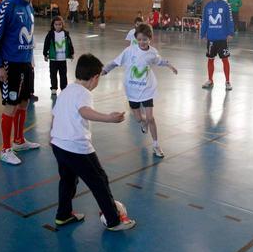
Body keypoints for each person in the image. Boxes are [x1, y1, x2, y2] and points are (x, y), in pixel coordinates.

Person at [50, 53, 136, 231]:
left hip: (58, 145)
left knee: (67, 180)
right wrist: (109, 118)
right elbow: (84, 111)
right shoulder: (84, 93)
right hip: (77, 147)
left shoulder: (67, 90)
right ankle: (114, 220)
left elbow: (55, 115)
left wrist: (54, 138)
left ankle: (63, 215)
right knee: (99, 181)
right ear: (95, 77)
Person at [0, 0, 41, 165]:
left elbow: (28, 35)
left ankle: (19, 140)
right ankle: (6, 149)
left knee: (24, 102)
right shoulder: (7, 7)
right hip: (10, 64)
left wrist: (31, 57)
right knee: (11, 105)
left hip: (26, 63)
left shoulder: (29, 6)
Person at [102, 23, 178, 158]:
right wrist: (105, 70)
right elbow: (115, 62)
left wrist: (170, 66)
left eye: (145, 39)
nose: (142, 42)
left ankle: (156, 145)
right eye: (139, 39)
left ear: (150, 39)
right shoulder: (130, 51)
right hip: (132, 89)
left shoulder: (152, 52)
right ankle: (144, 122)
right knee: (138, 118)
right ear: (135, 38)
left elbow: (159, 61)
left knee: (151, 117)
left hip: (147, 88)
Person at [201, 0, 234, 91]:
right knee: (210, 59)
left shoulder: (225, 5)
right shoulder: (207, 6)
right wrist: (203, 34)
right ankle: (210, 80)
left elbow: (229, 20)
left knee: (225, 60)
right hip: (211, 38)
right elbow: (204, 21)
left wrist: (230, 33)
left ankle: (228, 81)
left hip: (222, 38)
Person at [43, 16, 75, 96]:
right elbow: (46, 44)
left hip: (62, 59)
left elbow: (69, 44)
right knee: (53, 74)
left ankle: (64, 88)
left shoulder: (65, 34)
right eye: (56, 24)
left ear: (62, 25)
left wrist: (71, 53)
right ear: (53, 25)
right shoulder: (50, 34)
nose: (58, 26)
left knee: (63, 74)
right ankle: (54, 88)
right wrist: (45, 54)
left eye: (60, 24)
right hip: (53, 59)